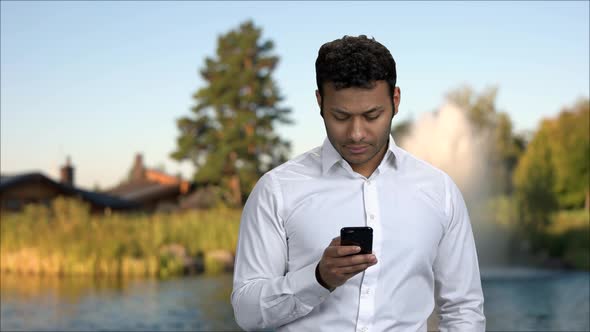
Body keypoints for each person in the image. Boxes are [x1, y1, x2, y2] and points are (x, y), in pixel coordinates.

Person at [231, 35, 485, 332]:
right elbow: (247, 313)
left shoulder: (440, 191)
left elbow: (463, 309)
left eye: (372, 115)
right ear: (320, 102)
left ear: (395, 100)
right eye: (341, 116)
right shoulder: (276, 190)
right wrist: (318, 279)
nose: (356, 133)